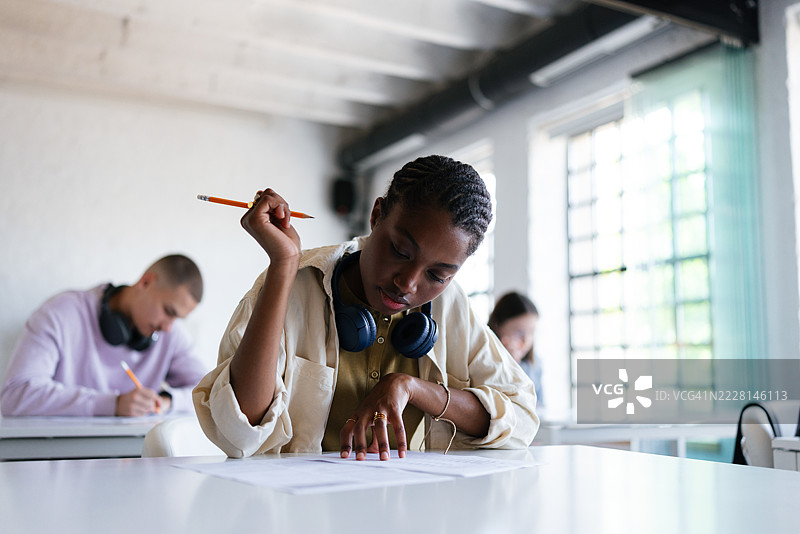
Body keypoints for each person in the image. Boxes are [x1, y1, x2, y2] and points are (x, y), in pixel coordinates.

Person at [193, 155, 539, 461]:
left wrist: (414, 389)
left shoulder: (449, 304)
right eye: (400, 251)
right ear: (376, 216)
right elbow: (235, 435)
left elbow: (522, 418)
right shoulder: (295, 284)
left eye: (437, 275)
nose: (408, 284)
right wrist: (283, 265)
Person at [1, 254, 207, 417]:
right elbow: (15, 395)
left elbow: (209, 393)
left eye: (177, 319)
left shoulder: (169, 334)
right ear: (146, 282)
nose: (168, 327)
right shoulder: (60, 313)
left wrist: (167, 400)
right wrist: (112, 404)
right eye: (168, 311)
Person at [488, 292, 544, 408]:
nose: (526, 340)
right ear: (498, 327)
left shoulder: (535, 364)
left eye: (531, 332)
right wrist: (509, 366)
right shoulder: (485, 360)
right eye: (520, 333)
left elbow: (539, 406)